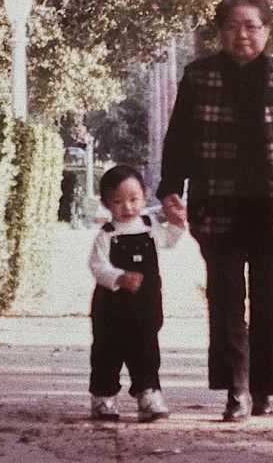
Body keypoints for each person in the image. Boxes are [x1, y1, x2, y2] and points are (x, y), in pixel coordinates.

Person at [157, 0, 273, 422]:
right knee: (225, 301)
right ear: (221, 32)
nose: (242, 36)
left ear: (266, 31)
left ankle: (263, 390)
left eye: (252, 27)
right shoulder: (200, 76)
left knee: (270, 303)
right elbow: (179, 136)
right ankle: (235, 390)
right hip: (219, 206)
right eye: (233, 27)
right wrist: (170, 189)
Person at [88, 164, 187, 422]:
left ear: (144, 196)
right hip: (111, 309)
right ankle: (103, 396)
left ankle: (149, 393)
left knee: (147, 352)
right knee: (106, 352)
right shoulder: (107, 235)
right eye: (118, 201)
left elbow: (168, 241)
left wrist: (177, 225)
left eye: (133, 200)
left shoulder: (150, 226)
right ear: (106, 204)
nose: (127, 207)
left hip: (145, 306)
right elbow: (97, 266)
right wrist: (118, 277)